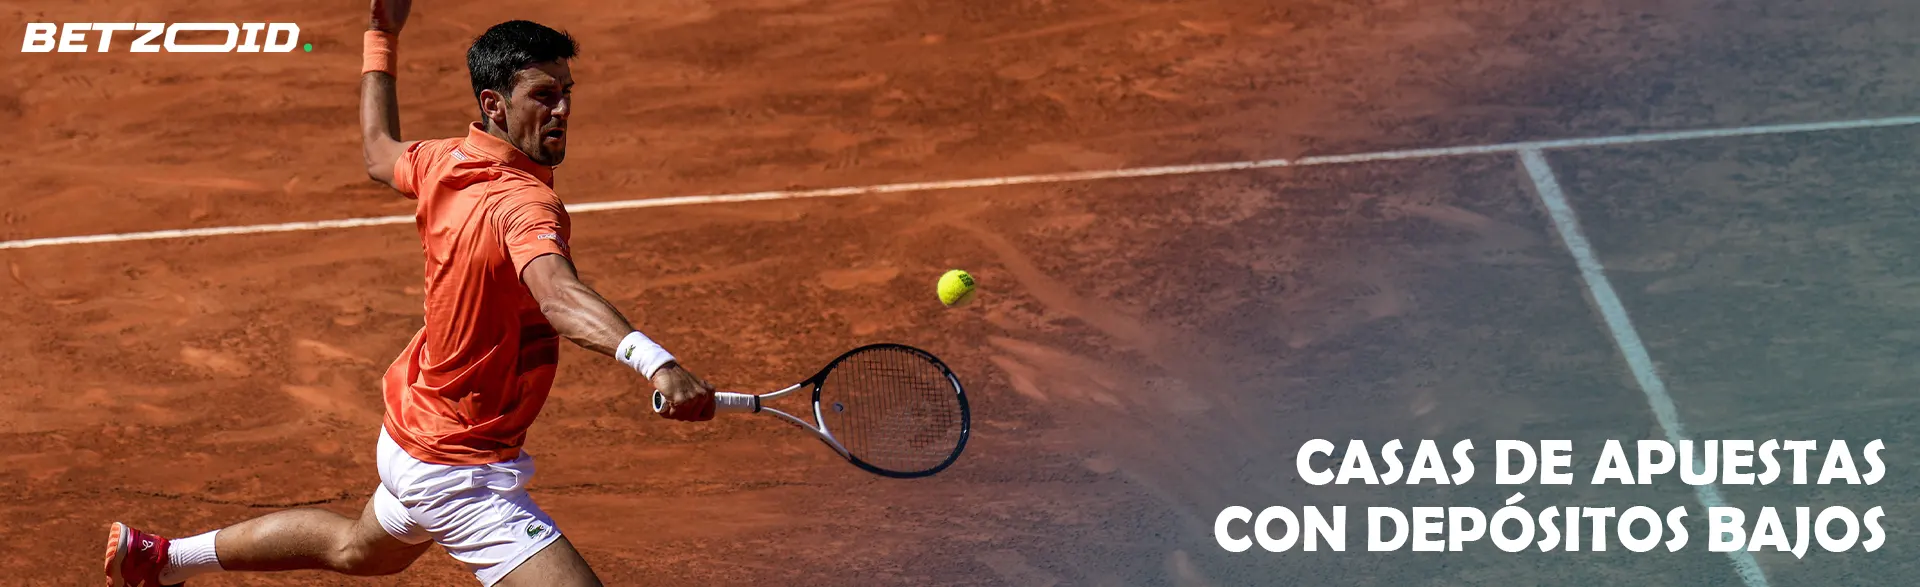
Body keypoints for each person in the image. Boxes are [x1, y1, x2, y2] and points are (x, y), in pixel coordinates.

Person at [103, 2, 718, 585]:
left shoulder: (442, 162)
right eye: (542, 96)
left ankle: (158, 560)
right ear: (494, 105)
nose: (560, 110)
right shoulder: (527, 203)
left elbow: (377, 151)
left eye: (565, 95)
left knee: (358, 551)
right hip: (458, 469)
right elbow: (557, 295)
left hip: (410, 431)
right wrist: (654, 361)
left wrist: (381, 36)